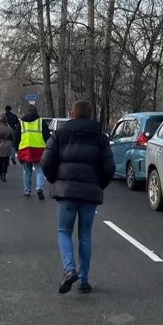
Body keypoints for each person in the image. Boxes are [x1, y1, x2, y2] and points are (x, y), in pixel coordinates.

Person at [41, 100, 115, 294]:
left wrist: (56, 181)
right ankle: (83, 279)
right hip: (90, 192)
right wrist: (98, 184)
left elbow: (46, 162)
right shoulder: (100, 137)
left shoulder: (60, 135)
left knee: (64, 231)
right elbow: (109, 168)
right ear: (90, 115)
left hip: (66, 192)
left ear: (72, 114)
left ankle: (69, 268)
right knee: (85, 235)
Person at [14, 105, 50, 199]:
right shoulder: (41, 122)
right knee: (40, 170)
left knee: (27, 171)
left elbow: (17, 136)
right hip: (39, 149)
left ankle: (27, 191)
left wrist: (16, 148)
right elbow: (47, 136)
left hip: (25, 148)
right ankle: (39, 189)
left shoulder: (22, 122)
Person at [0, 117, 14, 182]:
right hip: (7, 145)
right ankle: (4, 174)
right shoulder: (9, 129)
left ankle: (0, 173)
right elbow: (12, 137)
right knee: (6, 161)